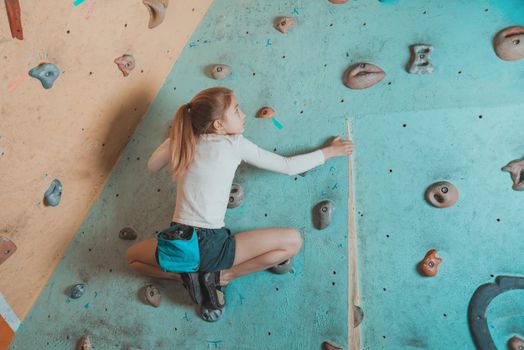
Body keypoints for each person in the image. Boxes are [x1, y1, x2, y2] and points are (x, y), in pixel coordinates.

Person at [126, 87, 354, 322]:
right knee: (292, 242)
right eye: (236, 109)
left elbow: (152, 165)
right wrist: (328, 152)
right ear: (218, 125)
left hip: (179, 243)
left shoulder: (183, 142)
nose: (243, 114)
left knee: (132, 258)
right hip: (213, 246)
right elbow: (288, 166)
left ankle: (183, 275)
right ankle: (225, 276)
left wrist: (176, 137)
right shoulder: (234, 144)